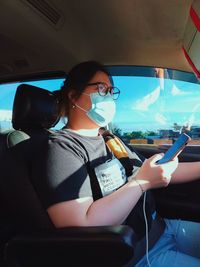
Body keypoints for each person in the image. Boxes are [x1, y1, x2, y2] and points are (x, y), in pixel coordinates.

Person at [32, 61, 200, 267]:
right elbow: (80, 226)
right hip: (137, 254)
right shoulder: (61, 149)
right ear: (73, 95)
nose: (109, 96)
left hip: (163, 229)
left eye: (111, 91)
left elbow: (154, 171)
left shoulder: (108, 138)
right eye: (101, 88)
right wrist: (140, 183)